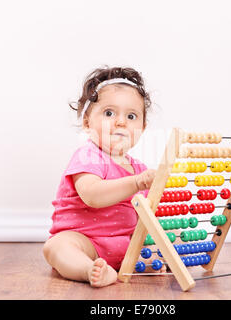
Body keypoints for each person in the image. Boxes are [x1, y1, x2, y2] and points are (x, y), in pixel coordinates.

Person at [43, 66, 165, 287]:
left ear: (143, 127)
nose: (121, 122)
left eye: (131, 116)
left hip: (126, 245)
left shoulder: (140, 168)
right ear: (88, 123)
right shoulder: (88, 156)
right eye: (109, 113)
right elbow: (92, 196)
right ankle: (88, 269)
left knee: (168, 235)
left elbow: (149, 215)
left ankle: (145, 261)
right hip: (85, 241)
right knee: (56, 247)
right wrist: (136, 183)